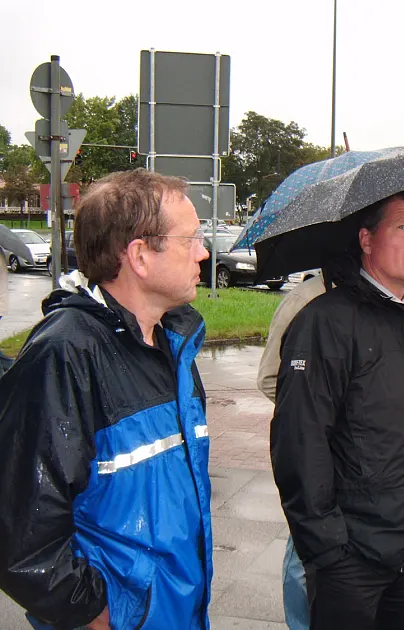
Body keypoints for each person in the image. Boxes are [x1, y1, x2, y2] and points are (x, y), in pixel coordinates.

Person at [0, 169, 213, 630]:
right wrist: (100, 614)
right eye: (190, 240)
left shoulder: (174, 342)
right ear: (139, 254)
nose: (204, 252)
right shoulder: (66, 354)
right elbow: (23, 538)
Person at [271, 186, 404, 630]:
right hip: (350, 559)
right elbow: (298, 442)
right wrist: (328, 551)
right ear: (366, 238)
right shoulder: (326, 321)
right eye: (403, 227)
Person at [257, 273, 329, 630]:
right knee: (303, 554)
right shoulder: (306, 299)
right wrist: (313, 420)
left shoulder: (388, 296)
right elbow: (271, 378)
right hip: (316, 453)